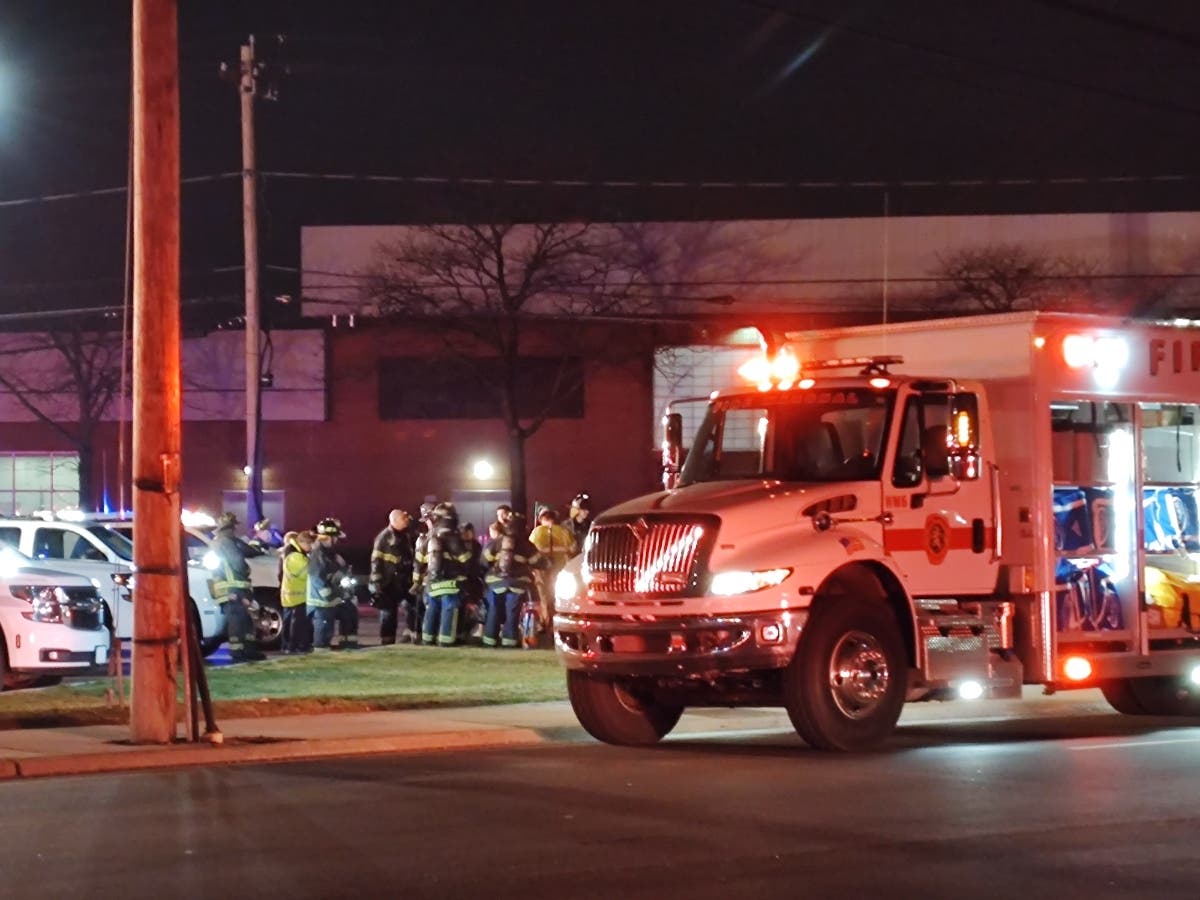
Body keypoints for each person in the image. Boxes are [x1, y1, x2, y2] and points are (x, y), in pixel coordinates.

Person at [482, 512, 543, 648]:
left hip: (495, 583)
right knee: (512, 612)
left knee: (494, 609)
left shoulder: (496, 542)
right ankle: (509, 641)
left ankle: (489, 640)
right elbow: (539, 562)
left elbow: (484, 561)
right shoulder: (527, 545)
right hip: (517, 584)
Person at [415, 502, 471, 646]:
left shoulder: (426, 538)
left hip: (431, 583)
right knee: (449, 609)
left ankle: (427, 639)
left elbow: (418, 563)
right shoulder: (453, 537)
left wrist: (418, 583)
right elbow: (465, 560)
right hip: (451, 583)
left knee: (431, 610)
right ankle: (445, 641)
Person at [211, 511, 264, 662]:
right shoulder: (225, 542)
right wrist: (247, 569)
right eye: (233, 527)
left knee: (246, 621)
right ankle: (238, 652)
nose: (234, 530)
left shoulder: (227, 541)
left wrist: (257, 538)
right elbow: (238, 564)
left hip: (235, 587)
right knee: (237, 622)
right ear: (229, 527)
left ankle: (248, 650)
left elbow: (250, 550)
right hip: (232, 588)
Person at [307, 517, 358, 650]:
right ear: (328, 538)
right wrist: (329, 594)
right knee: (323, 629)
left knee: (349, 613)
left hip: (332, 599)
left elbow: (335, 574)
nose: (336, 541)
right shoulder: (318, 555)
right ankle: (321, 652)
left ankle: (348, 645)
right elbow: (317, 578)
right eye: (334, 538)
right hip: (321, 602)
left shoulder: (329, 554)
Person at [369, 509, 415, 645]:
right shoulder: (384, 538)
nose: (406, 520)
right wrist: (377, 584)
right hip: (387, 583)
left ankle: (411, 634)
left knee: (412, 607)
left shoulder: (406, 536)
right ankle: (387, 642)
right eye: (403, 518)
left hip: (403, 581)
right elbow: (376, 562)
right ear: (394, 520)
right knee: (388, 614)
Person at [529, 506, 575, 625]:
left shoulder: (537, 531)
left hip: (542, 569)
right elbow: (573, 548)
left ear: (541, 519)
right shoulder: (564, 532)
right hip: (561, 569)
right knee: (558, 595)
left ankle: (546, 621)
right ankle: (559, 621)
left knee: (544, 597)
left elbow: (530, 549)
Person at [278, 530, 314, 654]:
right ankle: (293, 647)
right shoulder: (295, 556)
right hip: (297, 596)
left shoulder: (295, 552)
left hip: (292, 595)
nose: (310, 548)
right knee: (297, 624)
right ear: (303, 542)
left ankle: (289, 646)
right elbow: (306, 573)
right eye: (309, 545)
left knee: (291, 623)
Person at [458, 522, 484, 642]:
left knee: (473, 607)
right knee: (461, 607)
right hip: (462, 580)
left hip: (474, 580)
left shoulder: (476, 545)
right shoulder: (457, 545)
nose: (467, 534)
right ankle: (461, 632)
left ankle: (469, 630)